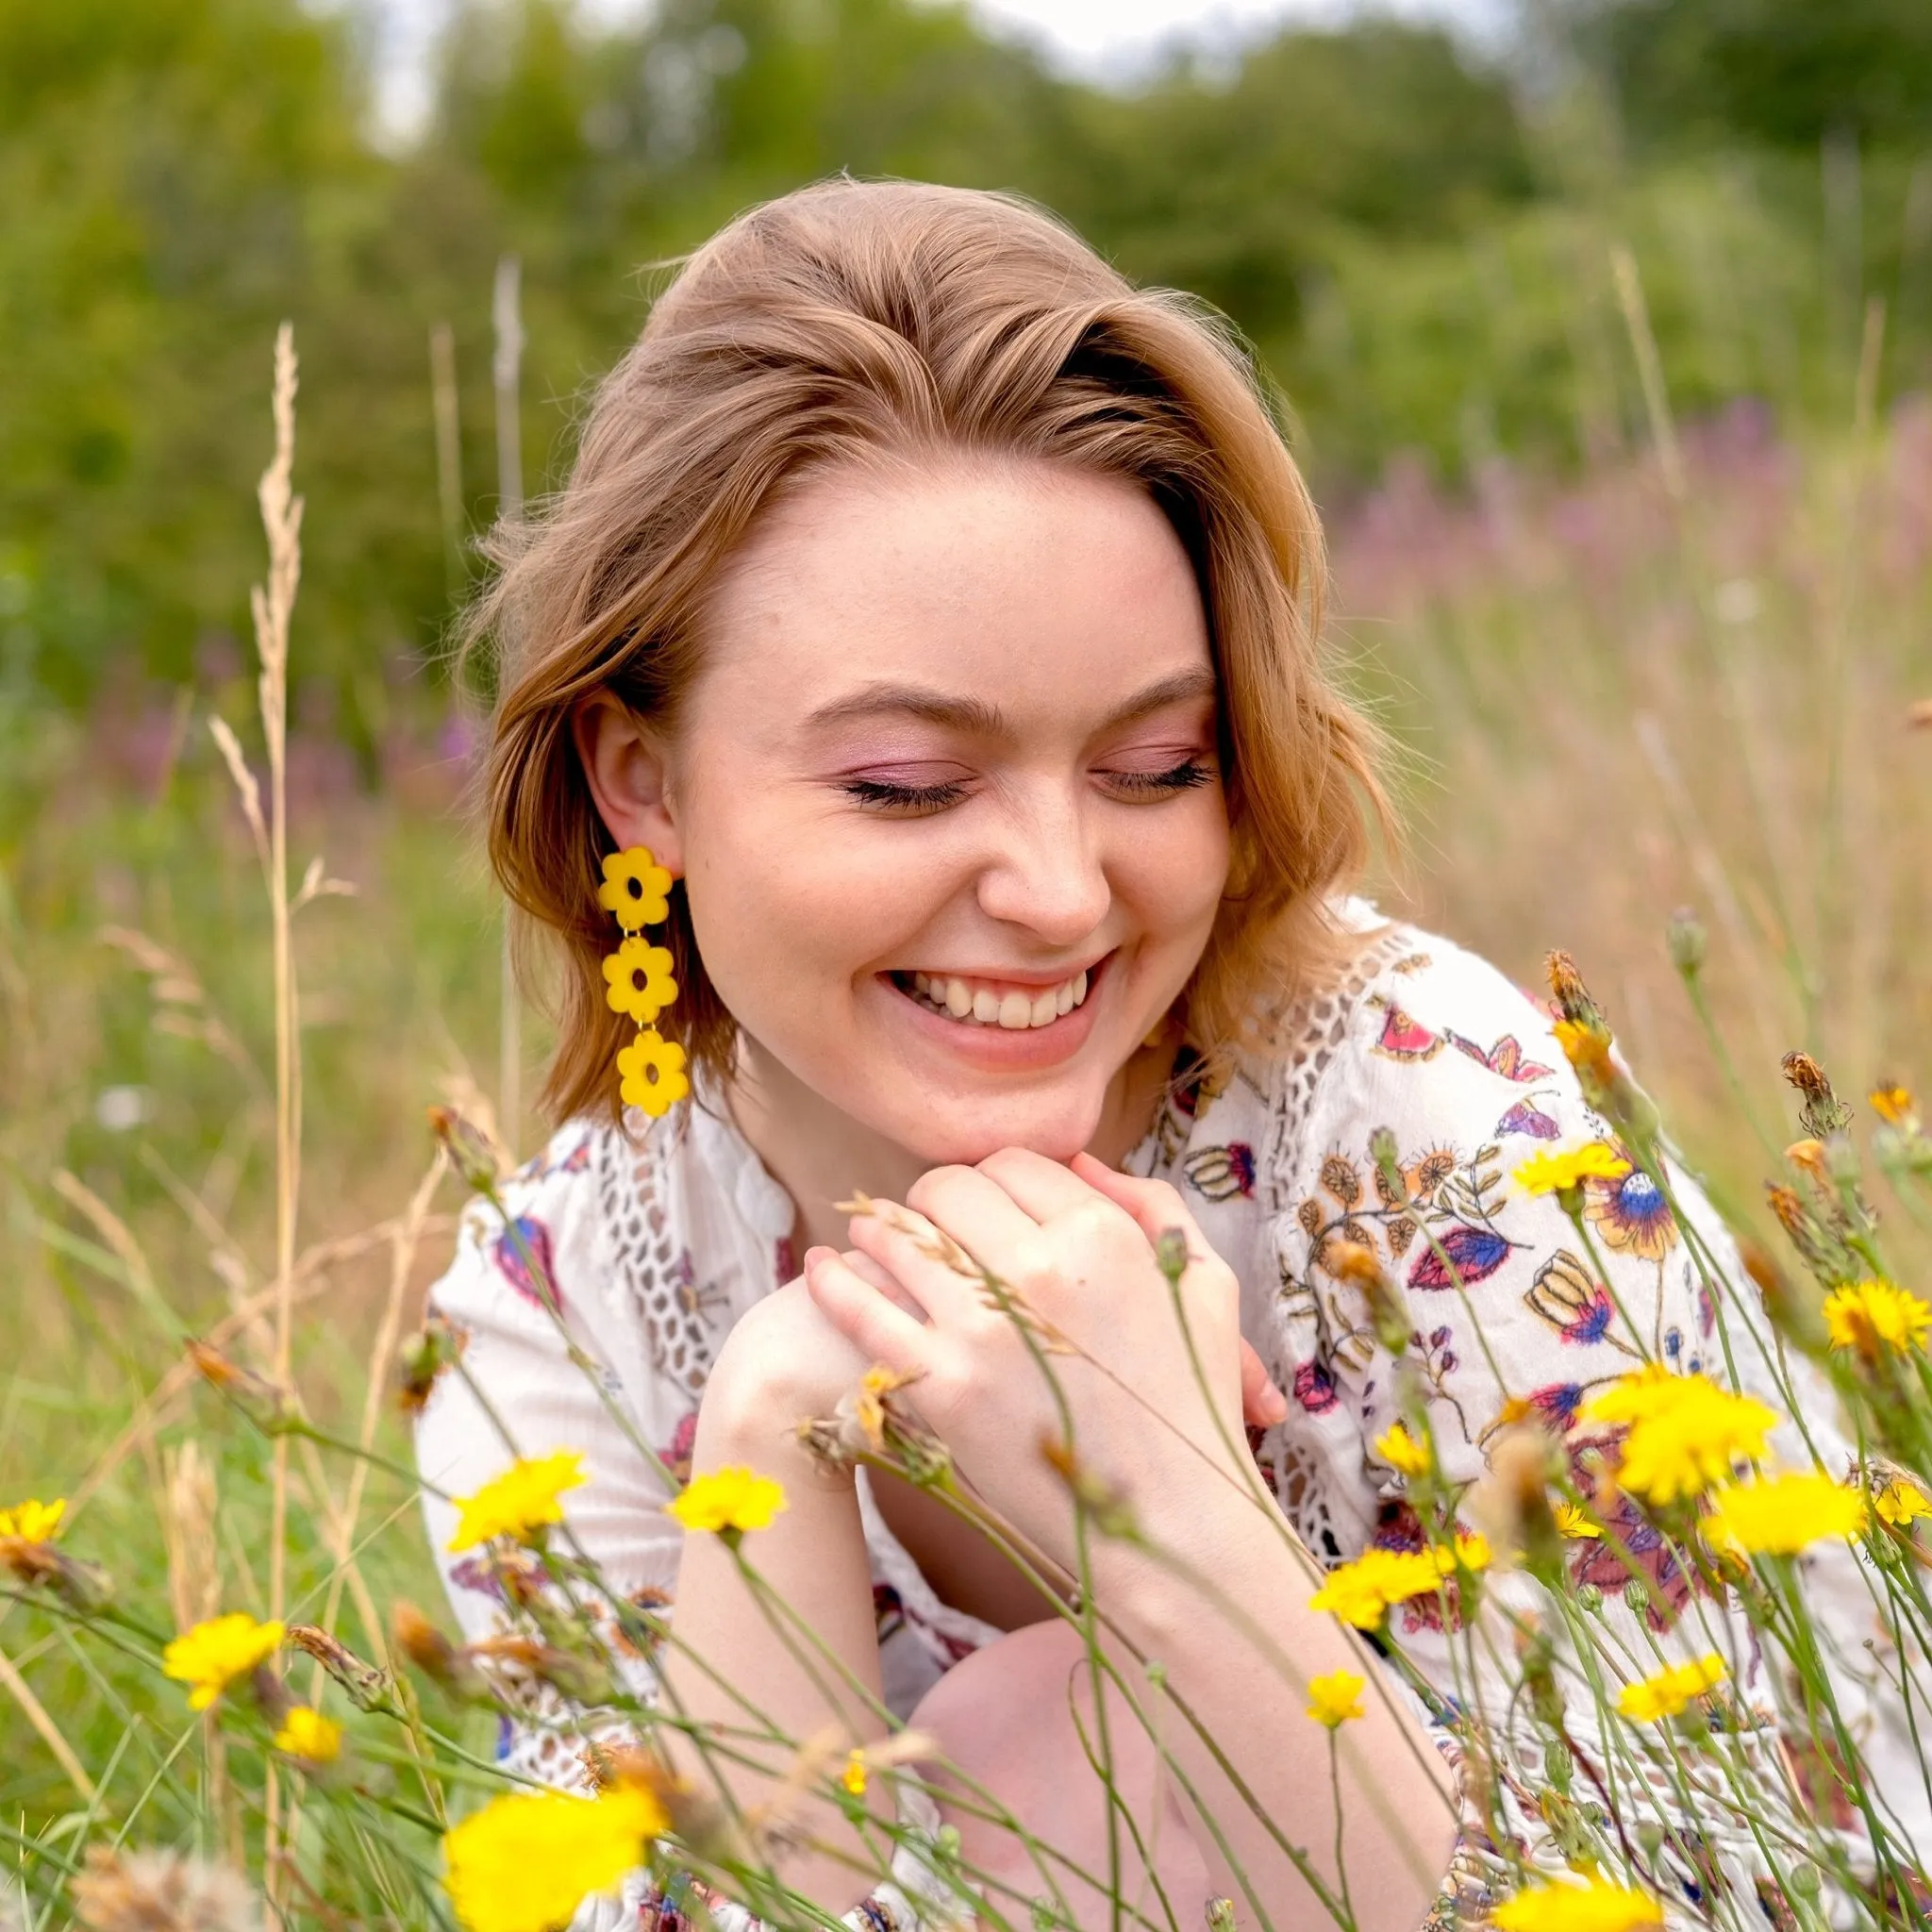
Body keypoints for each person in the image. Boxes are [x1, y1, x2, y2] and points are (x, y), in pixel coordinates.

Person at [415, 179, 1918, 1932]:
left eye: (1155, 767)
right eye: (909, 784)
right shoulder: (565, 1297)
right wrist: (768, 1442)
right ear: (639, 781)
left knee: (1068, 1736)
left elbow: (1790, 1881)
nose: (1061, 895)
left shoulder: (1412, 1108)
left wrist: (1163, 1496)